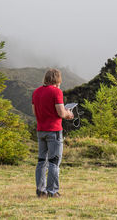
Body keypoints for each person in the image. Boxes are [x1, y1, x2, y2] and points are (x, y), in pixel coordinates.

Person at [32, 68, 74, 198]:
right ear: (57, 79)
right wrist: (69, 113)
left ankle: (40, 190)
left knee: (41, 161)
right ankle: (52, 191)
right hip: (54, 131)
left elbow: (34, 112)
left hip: (40, 130)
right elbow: (61, 113)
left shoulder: (36, 92)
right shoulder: (57, 92)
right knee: (54, 162)